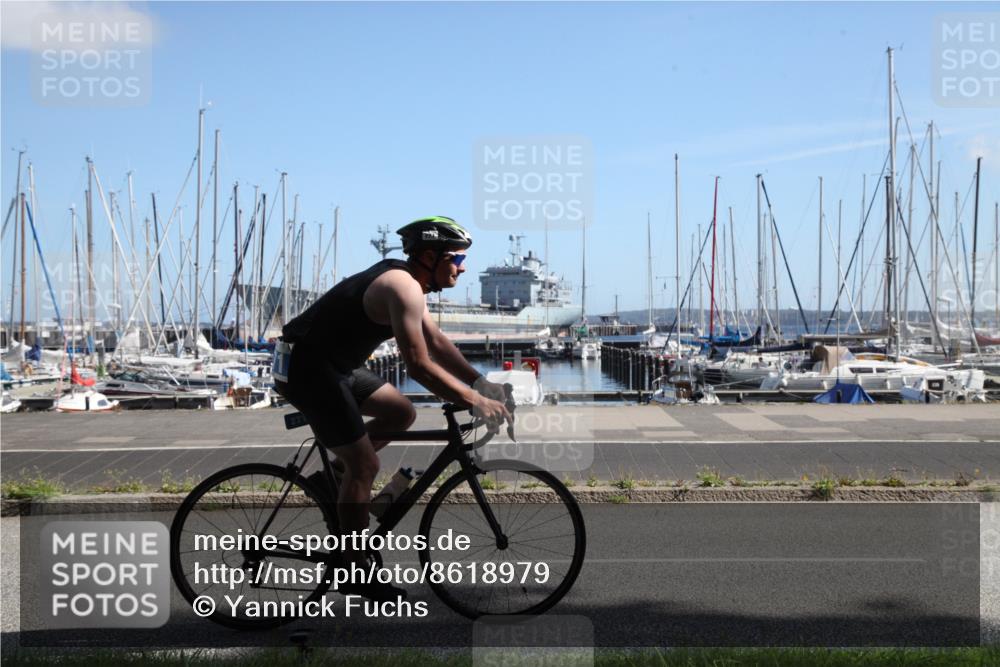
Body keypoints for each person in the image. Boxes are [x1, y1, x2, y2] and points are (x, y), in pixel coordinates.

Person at [274, 216, 511, 601]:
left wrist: (480, 383)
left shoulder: (410, 284)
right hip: (307, 369)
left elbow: (435, 341)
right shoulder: (403, 287)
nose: (463, 266)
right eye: (458, 257)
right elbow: (418, 365)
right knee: (365, 465)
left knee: (401, 413)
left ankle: (330, 478)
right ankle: (353, 570)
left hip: (335, 366)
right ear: (430, 256)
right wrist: (475, 401)